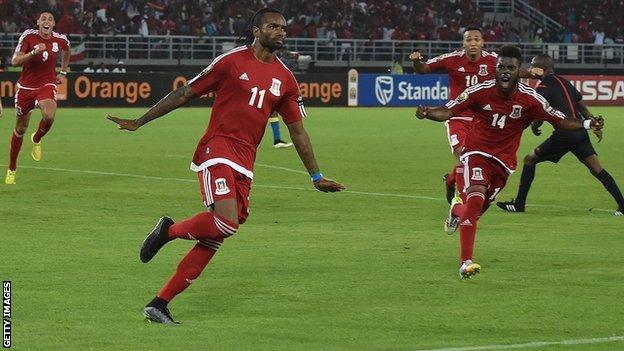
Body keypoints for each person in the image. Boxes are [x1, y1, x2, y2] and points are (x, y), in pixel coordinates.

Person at [107, 8, 344, 324]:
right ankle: (169, 231)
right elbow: (185, 93)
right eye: (273, 26)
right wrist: (140, 120)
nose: (281, 32)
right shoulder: (230, 62)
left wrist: (315, 175)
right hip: (216, 150)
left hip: (245, 163)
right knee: (227, 223)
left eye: (284, 28)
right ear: (257, 31)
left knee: (215, 237)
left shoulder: (286, 79)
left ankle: (159, 304)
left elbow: (297, 130)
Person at [415, 46, 604, 279]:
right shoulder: (479, 91)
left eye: (511, 68)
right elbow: (448, 110)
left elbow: (561, 120)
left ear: (518, 71)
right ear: (496, 69)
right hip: (476, 153)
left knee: (473, 212)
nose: (505, 71)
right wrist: (427, 113)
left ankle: (455, 208)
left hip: (503, 164)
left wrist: (587, 124)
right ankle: (466, 263)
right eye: (501, 67)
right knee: (474, 199)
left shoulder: (530, 99)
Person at [409, 27, 543, 204]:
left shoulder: (492, 59)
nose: (473, 43)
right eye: (469, 40)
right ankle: (463, 202)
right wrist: (417, 61)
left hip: (483, 118)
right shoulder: (452, 59)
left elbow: (515, 69)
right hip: (457, 115)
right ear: (463, 43)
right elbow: (424, 69)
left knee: (473, 159)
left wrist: (532, 72)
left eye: (476, 40)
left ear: (482, 42)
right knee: (463, 155)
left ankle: (451, 181)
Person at [496, 54, 624, 216]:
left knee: (529, 159)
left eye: (532, 65)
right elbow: (581, 106)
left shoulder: (543, 87)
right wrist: (592, 123)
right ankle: (623, 205)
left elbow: (538, 109)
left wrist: (536, 126)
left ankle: (519, 204)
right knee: (597, 168)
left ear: (539, 69)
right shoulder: (564, 81)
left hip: (565, 134)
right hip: (580, 133)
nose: (529, 68)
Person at [5, 10, 70, 185]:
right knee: (20, 129)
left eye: (50, 19)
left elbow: (67, 50)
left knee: (49, 116)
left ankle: (37, 138)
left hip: (47, 84)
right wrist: (33, 52)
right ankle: (12, 168)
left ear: (53, 24)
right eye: (43, 19)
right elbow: (14, 62)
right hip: (26, 87)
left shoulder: (60, 39)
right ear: (38, 22)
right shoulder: (28, 37)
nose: (46, 21)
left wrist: (63, 71)